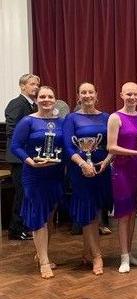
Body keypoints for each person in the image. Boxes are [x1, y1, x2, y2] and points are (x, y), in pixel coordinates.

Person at [10, 86, 64, 278]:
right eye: (42, 96)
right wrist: (30, 160)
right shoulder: (28, 121)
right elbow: (15, 146)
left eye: (50, 96)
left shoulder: (61, 122)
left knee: (49, 217)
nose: (46, 99)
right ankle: (44, 262)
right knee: (38, 215)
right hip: (34, 175)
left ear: (55, 99)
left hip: (55, 174)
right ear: (37, 99)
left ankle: (42, 254)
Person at [62, 82, 113, 275]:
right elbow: (68, 146)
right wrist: (83, 165)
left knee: (97, 211)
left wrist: (107, 161)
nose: (87, 95)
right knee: (88, 211)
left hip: (101, 169)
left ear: (96, 95)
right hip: (81, 171)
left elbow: (112, 144)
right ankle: (97, 256)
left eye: (91, 92)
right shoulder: (71, 118)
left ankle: (87, 252)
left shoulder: (107, 117)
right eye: (83, 92)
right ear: (78, 96)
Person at [107, 82, 137, 273]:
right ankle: (123, 257)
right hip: (122, 171)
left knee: (134, 213)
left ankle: (130, 254)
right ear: (121, 95)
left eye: (135, 94)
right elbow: (111, 147)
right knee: (124, 215)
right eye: (128, 94)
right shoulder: (115, 117)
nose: (132, 97)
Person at [5, 73, 40, 241]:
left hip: (29, 156)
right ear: (22, 86)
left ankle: (25, 226)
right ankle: (16, 229)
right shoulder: (17, 104)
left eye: (37, 84)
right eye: (32, 84)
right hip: (19, 157)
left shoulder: (34, 106)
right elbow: (12, 131)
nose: (36, 87)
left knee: (28, 193)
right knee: (22, 193)